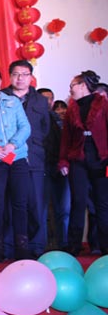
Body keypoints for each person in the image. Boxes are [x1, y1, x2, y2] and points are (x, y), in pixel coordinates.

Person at [0, 67, 32, 262]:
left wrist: (13, 145)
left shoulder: (13, 101)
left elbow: (25, 127)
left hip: (17, 158)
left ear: (1, 81)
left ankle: (22, 250)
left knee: (20, 204)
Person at [3, 60, 49, 257]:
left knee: (36, 203)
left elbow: (45, 129)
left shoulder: (40, 100)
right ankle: (9, 247)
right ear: (10, 76)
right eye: (16, 74)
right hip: (8, 158)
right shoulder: (1, 96)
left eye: (24, 74)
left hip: (34, 158)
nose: (20, 78)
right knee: (9, 204)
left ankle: (36, 246)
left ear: (31, 77)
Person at [59, 71, 108, 256]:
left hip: (102, 159)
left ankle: (105, 245)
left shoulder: (104, 104)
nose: (70, 89)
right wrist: (63, 161)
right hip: (78, 160)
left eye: (73, 85)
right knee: (78, 202)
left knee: (102, 203)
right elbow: (66, 138)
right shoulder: (71, 109)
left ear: (83, 86)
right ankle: (74, 245)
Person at [38, 89, 71, 251]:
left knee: (63, 209)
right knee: (42, 210)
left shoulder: (60, 120)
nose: (48, 102)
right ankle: (42, 244)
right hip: (41, 167)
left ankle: (64, 243)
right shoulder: (33, 119)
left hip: (60, 167)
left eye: (51, 99)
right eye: (45, 99)